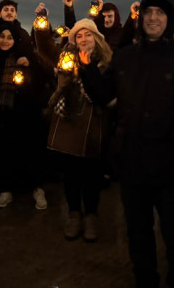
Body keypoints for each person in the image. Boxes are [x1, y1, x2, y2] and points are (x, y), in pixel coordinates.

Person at [80, 0, 174, 287]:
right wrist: (87, 69)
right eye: (149, 12)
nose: (153, 18)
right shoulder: (125, 57)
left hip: (172, 167)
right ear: (140, 18)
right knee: (138, 235)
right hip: (133, 162)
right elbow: (104, 95)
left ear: (170, 18)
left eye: (161, 13)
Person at [35, 14, 112, 241]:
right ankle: (74, 214)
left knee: (91, 174)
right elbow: (46, 49)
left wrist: (89, 68)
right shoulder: (66, 57)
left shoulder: (107, 61)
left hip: (93, 123)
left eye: (88, 34)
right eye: (79, 35)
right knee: (71, 173)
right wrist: (41, 27)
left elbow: (106, 92)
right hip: (69, 120)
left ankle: (91, 216)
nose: (84, 38)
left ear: (97, 38)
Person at [0, 20, 47, 211]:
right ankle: (6, 189)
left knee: (30, 151)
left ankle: (37, 188)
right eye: (2, 37)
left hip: (26, 112)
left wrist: (30, 67)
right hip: (2, 113)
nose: (5, 41)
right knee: (4, 152)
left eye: (9, 37)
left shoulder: (26, 56)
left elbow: (44, 76)